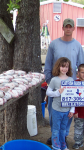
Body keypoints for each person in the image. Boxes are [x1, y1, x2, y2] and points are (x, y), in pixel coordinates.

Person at [44, 18, 84, 146]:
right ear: (63, 28)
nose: (68, 28)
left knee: (68, 113)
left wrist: (80, 83)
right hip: (56, 84)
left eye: (70, 26)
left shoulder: (77, 45)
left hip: (71, 87)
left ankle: (64, 136)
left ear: (73, 29)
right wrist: (50, 81)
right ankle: (54, 135)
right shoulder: (54, 44)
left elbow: (82, 67)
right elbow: (48, 64)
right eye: (66, 26)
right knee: (53, 111)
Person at [46, 57, 75, 150]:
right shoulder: (54, 80)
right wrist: (57, 92)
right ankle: (56, 146)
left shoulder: (71, 80)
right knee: (55, 130)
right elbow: (48, 92)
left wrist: (72, 109)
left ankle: (63, 145)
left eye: (66, 67)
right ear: (58, 67)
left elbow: (74, 97)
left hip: (66, 110)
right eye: (62, 66)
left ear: (69, 68)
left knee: (63, 130)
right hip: (56, 110)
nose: (64, 69)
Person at [72, 64, 84, 149]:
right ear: (78, 73)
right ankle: (77, 141)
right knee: (78, 128)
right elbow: (72, 99)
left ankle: (81, 141)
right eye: (83, 72)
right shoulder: (74, 83)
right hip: (79, 112)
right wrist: (75, 111)